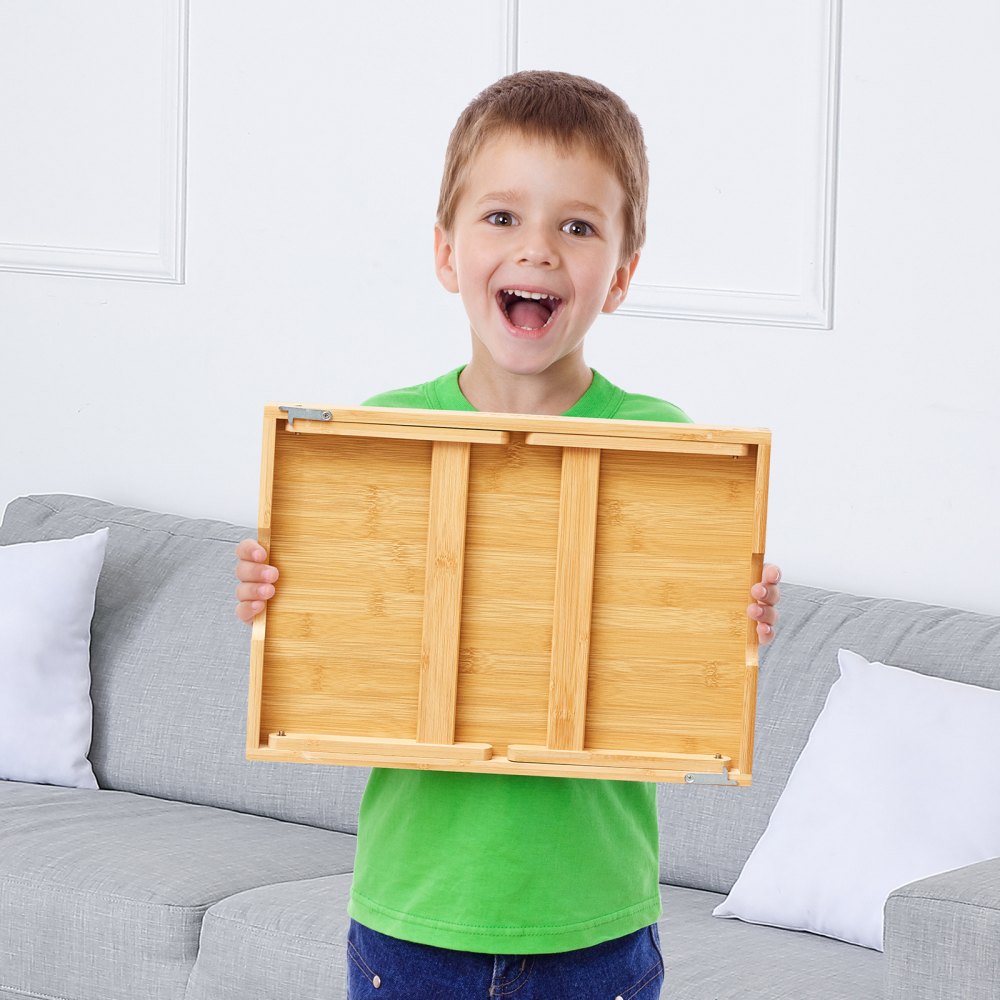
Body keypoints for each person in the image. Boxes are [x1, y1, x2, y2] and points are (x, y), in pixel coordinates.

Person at [235, 70, 781, 1000]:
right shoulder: (379, 439)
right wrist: (276, 603)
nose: (538, 249)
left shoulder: (661, 443)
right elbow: (345, 658)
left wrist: (735, 622)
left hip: (594, 923)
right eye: (501, 219)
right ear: (447, 252)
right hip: (413, 915)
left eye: (577, 226)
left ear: (622, 273)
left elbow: (682, 661)